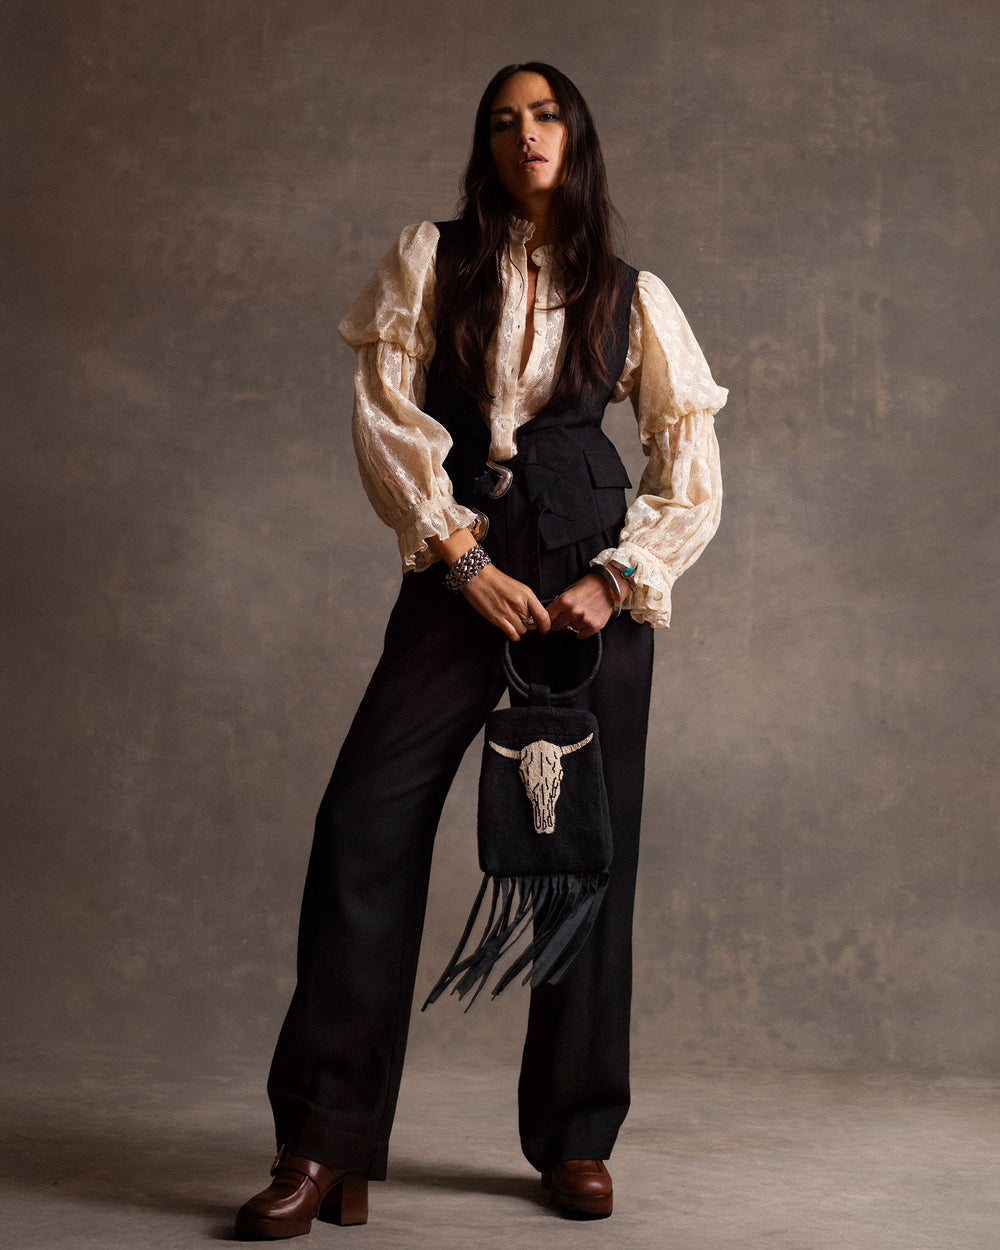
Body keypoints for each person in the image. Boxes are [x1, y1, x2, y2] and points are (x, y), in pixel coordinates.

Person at [236, 61, 726, 1239]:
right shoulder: (431, 257)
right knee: (363, 823)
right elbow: (385, 412)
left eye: (545, 115)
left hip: (589, 568)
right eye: (503, 121)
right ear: (485, 145)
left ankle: (574, 1132)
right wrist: (459, 557)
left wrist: (620, 577)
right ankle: (324, 1139)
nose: (525, 135)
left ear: (575, 136)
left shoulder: (632, 293)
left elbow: (689, 459)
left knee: (584, 853)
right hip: (463, 559)